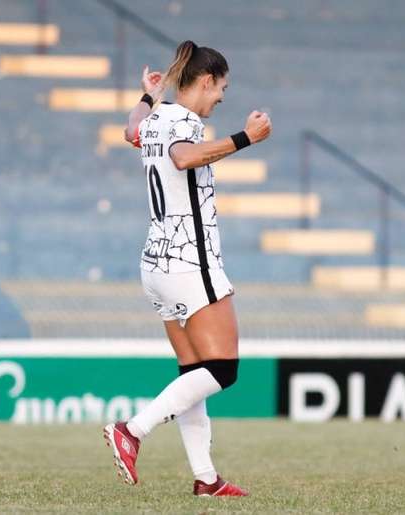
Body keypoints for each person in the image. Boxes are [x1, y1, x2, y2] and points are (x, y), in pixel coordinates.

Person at [103, 40, 271, 497]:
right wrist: (244, 139)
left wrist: (146, 96)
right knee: (223, 369)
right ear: (205, 80)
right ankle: (132, 431)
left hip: (156, 262)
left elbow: (131, 130)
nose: (222, 97)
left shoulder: (157, 117)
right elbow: (182, 157)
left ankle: (206, 478)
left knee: (192, 372)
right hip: (189, 261)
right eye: (222, 87)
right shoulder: (185, 123)